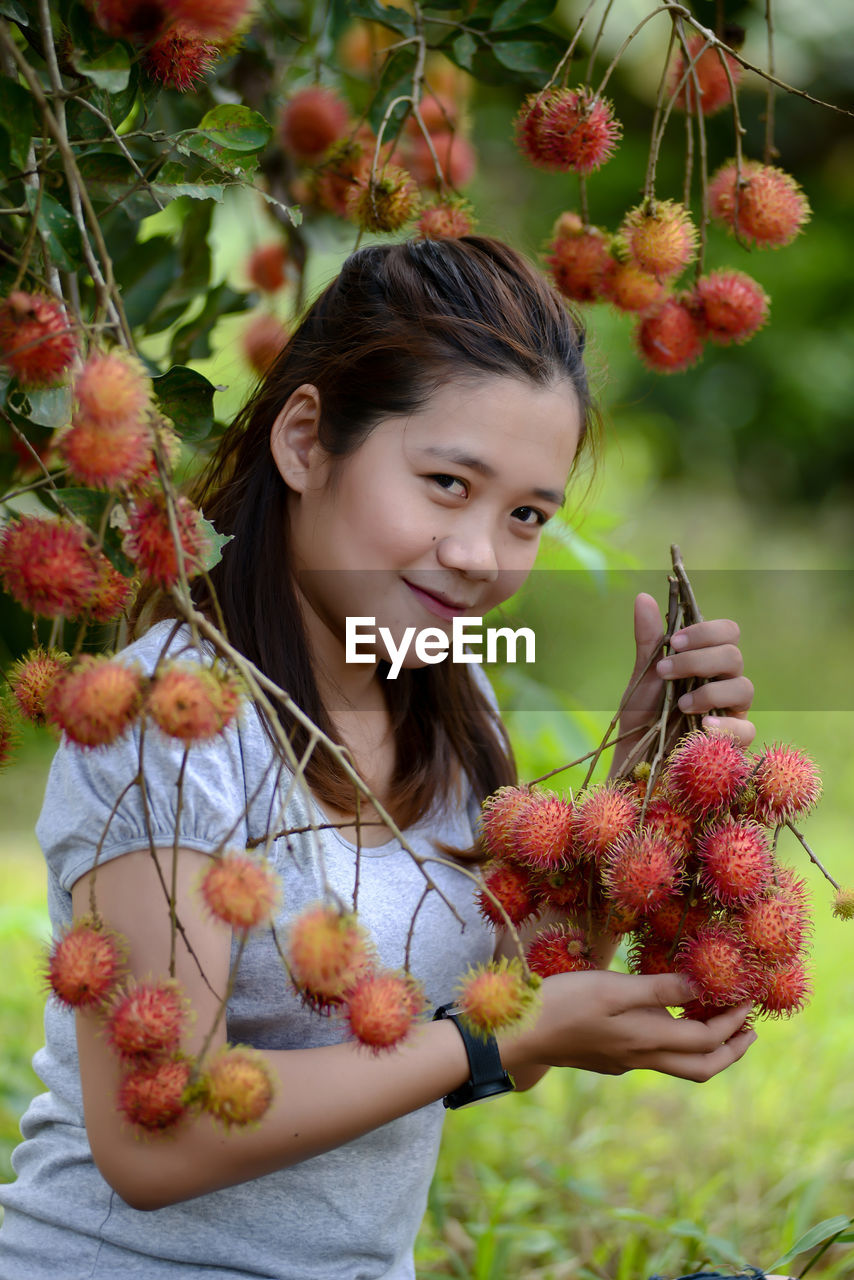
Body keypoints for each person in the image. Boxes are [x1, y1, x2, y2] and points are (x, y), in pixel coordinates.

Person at [0, 236, 756, 1279]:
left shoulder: (447, 694)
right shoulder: (167, 719)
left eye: (525, 514)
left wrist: (640, 783)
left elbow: (497, 1009)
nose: (481, 554)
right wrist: (497, 1044)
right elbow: (151, 1130)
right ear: (306, 440)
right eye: (447, 482)